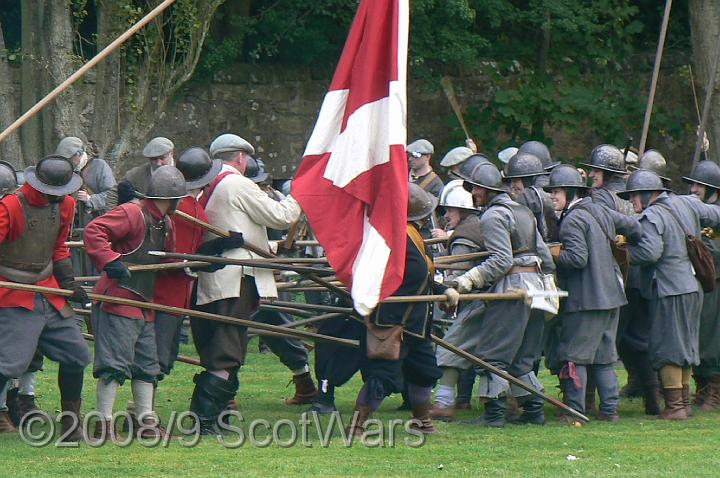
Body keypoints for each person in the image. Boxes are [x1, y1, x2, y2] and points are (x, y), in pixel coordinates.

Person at [190, 133, 304, 434]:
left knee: (227, 350)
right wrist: (302, 192)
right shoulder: (237, 182)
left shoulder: (209, 187)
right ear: (241, 157)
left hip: (221, 278)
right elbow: (282, 216)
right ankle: (204, 422)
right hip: (235, 278)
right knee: (226, 352)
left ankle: (214, 419)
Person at [447, 162, 555, 427]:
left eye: (474, 188)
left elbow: (501, 261)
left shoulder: (493, 216)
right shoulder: (524, 212)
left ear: (484, 190)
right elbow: (545, 258)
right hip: (538, 288)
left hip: (512, 290)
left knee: (493, 354)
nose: (472, 193)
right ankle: (533, 412)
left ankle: (493, 415)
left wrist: (465, 281)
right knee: (522, 358)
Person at [84, 165, 187, 441]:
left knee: (146, 365)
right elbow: (94, 231)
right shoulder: (132, 212)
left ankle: (146, 424)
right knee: (114, 365)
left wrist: (192, 264)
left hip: (143, 303)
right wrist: (110, 260)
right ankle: (103, 426)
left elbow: (163, 260)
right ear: (172, 198)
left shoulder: (166, 222)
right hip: (117, 298)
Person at [348, 183, 456, 436]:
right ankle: (356, 426)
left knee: (424, 371)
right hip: (394, 321)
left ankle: (422, 422)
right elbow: (400, 277)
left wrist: (441, 291)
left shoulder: (411, 236)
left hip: (415, 323)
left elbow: (421, 277)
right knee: (382, 376)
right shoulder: (393, 238)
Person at [0, 156, 91, 442]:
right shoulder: (10, 206)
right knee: (9, 363)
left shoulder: (66, 205)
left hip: (49, 291)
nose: (58, 197)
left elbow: (59, 248)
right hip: (12, 293)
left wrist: (69, 282)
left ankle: (71, 425)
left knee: (77, 355)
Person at [545, 165, 641, 423]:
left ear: (569, 191)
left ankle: (575, 411)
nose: (552, 196)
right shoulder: (599, 210)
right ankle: (609, 412)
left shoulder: (573, 220)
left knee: (573, 356)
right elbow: (635, 227)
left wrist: (551, 253)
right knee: (604, 358)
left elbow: (576, 259)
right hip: (613, 297)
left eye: (556, 191)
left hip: (586, 300)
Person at [621, 169, 720, 420]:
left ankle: (676, 407)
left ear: (647, 193)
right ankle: (683, 404)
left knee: (668, 346)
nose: (632, 201)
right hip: (693, 286)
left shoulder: (651, 216)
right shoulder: (687, 202)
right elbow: (716, 213)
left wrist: (622, 252)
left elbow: (650, 253)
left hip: (669, 288)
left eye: (634, 196)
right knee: (685, 345)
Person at [429, 180, 486, 420]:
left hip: (479, 302)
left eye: (450, 210)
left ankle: (443, 403)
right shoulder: (475, 227)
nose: (446, 216)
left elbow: (458, 275)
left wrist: (446, 293)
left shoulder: (464, 236)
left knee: (449, 348)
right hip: (487, 301)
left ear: (463, 210)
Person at [682, 160, 720, 410]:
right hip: (699, 280)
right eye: (693, 184)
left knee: (712, 336)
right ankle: (703, 384)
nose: (694, 189)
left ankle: (715, 388)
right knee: (697, 334)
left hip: (716, 281)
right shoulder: (695, 212)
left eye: (700, 185)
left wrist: (699, 246)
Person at [504, 152, 558, 242]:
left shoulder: (528, 197)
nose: (512, 186)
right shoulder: (552, 191)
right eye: (511, 181)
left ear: (527, 180)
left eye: (515, 181)